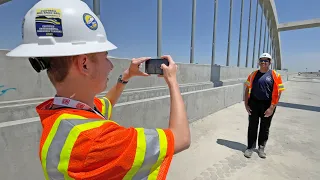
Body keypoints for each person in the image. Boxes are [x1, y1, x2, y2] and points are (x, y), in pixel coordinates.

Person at [7, 0, 191, 179]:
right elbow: (181, 138)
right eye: (105, 56)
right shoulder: (99, 139)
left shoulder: (61, 115)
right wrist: (172, 81)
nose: (111, 65)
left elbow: (105, 104)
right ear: (84, 64)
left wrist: (125, 76)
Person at [243, 53, 285, 159]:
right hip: (254, 103)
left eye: (266, 60)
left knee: (265, 127)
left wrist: (272, 107)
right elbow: (247, 88)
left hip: (268, 104)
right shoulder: (253, 74)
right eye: (261, 60)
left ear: (270, 62)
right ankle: (250, 147)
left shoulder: (275, 75)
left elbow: (279, 92)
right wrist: (246, 104)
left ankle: (261, 147)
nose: (263, 62)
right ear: (259, 62)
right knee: (252, 126)